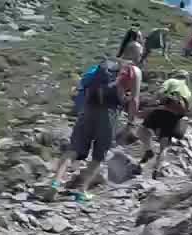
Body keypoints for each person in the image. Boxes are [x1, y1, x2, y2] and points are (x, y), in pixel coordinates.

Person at [50, 44, 143, 198]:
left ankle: (55, 183)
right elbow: (134, 99)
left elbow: (85, 83)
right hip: (109, 112)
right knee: (99, 155)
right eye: (141, 53)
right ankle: (82, 191)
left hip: (88, 108)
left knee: (74, 149)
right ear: (137, 55)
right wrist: (131, 123)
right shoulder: (135, 70)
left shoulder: (107, 63)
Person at [139, 70, 192, 179]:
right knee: (164, 145)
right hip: (173, 117)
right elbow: (186, 110)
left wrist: (151, 103)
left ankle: (149, 150)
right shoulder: (188, 92)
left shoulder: (171, 81)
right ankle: (157, 170)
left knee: (142, 130)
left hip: (161, 111)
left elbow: (160, 92)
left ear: (176, 75)